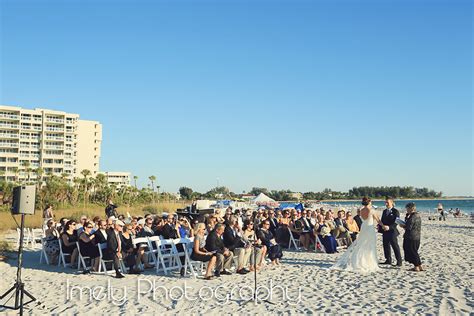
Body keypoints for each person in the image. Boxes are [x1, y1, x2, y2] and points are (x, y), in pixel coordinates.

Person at [331, 197, 381, 273]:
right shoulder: (371, 210)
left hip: (364, 227)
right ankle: (369, 262)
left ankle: (360, 260)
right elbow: (378, 220)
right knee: (369, 244)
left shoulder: (361, 210)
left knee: (362, 244)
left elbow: (364, 218)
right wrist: (383, 226)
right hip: (369, 228)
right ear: (369, 202)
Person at [401, 202, 423, 272]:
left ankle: (416, 266)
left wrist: (402, 226)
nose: (406, 210)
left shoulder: (413, 216)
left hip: (411, 237)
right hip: (417, 236)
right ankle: (419, 266)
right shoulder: (418, 215)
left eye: (407, 209)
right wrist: (406, 217)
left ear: (411, 208)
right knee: (414, 251)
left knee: (412, 251)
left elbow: (408, 227)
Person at [380, 197, 402, 267]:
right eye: (385, 202)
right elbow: (382, 220)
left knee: (395, 246)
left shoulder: (395, 211)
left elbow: (396, 222)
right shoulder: (384, 211)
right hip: (385, 231)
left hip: (392, 231)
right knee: (385, 245)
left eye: (388, 202)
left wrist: (389, 227)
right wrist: (380, 226)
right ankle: (388, 259)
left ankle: (399, 261)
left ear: (392, 203)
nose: (386, 204)